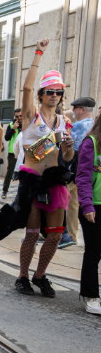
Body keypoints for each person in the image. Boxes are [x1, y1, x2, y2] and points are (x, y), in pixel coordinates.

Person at [0, 39, 75, 298]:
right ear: (41, 95)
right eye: (49, 91)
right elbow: (27, 87)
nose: (54, 96)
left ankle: (41, 275)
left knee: (55, 236)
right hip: (32, 180)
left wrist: (69, 147)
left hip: (55, 182)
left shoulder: (64, 121)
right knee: (32, 232)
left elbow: (67, 156)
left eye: (58, 92)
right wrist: (38, 52)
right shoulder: (31, 117)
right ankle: (23, 276)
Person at [75, 108, 101, 314]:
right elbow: (82, 176)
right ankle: (90, 294)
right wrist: (87, 204)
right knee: (94, 251)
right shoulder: (91, 142)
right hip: (94, 206)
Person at [63, 96, 96, 247]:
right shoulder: (95, 126)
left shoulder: (77, 127)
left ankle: (67, 235)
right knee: (75, 203)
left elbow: (68, 150)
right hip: (90, 171)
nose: (73, 111)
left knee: (68, 202)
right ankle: (72, 234)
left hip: (74, 170)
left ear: (82, 109)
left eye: (75, 108)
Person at [2, 108, 22, 199]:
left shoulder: (28, 124)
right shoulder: (11, 124)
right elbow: (6, 138)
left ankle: (21, 193)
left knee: (23, 173)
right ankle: (4, 191)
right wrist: (13, 128)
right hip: (12, 153)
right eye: (17, 116)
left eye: (21, 116)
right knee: (10, 172)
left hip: (24, 153)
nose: (19, 118)